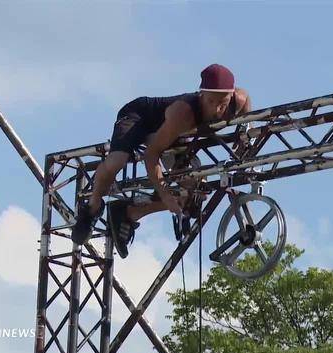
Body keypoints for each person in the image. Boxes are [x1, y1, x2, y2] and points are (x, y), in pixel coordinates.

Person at [71, 64, 252, 258]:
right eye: (211, 101)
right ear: (201, 95)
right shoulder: (183, 113)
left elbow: (246, 107)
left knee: (195, 191)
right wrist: (165, 194)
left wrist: (245, 133)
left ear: (231, 95)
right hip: (140, 118)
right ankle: (92, 206)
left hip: (173, 136)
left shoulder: (239, 100)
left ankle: (130, 213)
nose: (217, 109)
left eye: (223, 102)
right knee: (117, 160)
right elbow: (151, 154)